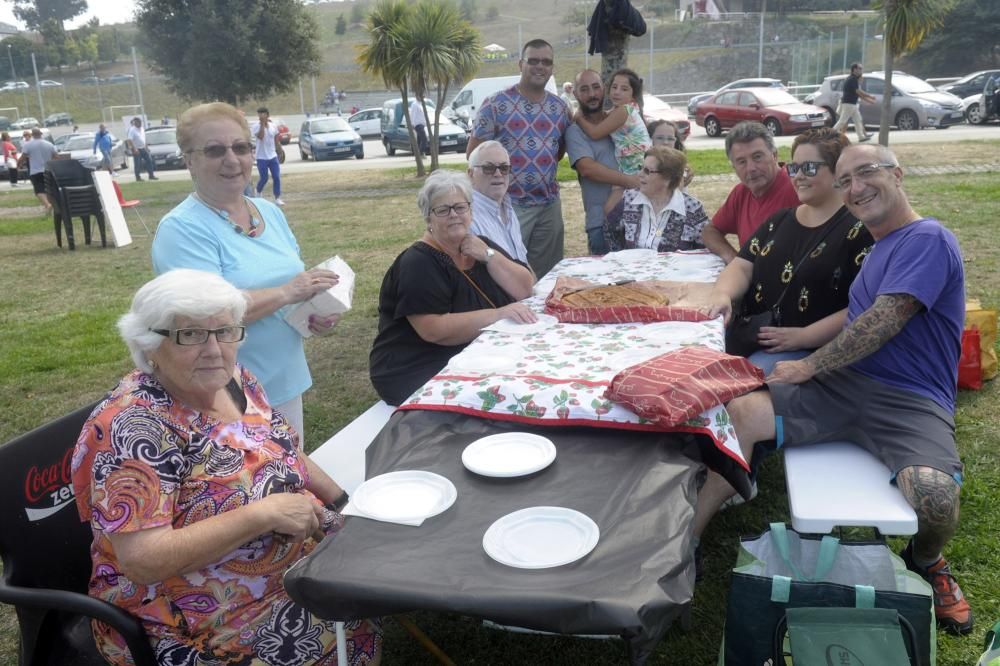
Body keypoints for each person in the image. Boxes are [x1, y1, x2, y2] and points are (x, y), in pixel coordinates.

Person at [694, 143, 973, 636]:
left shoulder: (926, 237)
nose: (855, 187)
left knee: (934, 498)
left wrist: (807, 365)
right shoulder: (877, 245)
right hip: (843, 386)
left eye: (866, 172)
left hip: (909, 401)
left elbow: (885, 320)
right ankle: (685, 543)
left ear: (898, 174)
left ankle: (927, 558)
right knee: (739, 411)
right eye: (845, 180)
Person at [72, 269, 383, 665]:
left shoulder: (236, 380)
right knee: (343, 627)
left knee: (379, 560)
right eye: (191, 334)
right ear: (148, 344)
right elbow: (144, 562)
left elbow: (284, 448)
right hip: (187, 615)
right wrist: (264, 514)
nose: (214, 350)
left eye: (225, 331)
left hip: (283, 559)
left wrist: (343, 505)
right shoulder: (133, 430)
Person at [151, 102, 339, 442]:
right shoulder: (181, 229)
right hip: (225, 395)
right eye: (214, 150)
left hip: (285, 378)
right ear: (189, 161)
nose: (232, 159)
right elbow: (206, 317)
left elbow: (288, 287)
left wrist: (313, 312)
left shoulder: (268, 211)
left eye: (241, 147)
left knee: (290, 474)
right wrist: (289, 291)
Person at [708, 128, 873, 374]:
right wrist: (723, 294)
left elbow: (865, 306)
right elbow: (743, 265)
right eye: (794, 168)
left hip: (812, 350)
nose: (798, 177)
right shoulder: (781, 220)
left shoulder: (860, 229)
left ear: (838, 171)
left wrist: (803, 337)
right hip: (753, 334)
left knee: (741, 384)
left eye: (809, 168)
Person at [370, 170, 536, 406]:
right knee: (509, 397)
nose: (454, 216)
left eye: (460, 207)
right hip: (417, 366)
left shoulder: (480, 245)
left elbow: (524, 288)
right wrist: (498, 315)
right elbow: (433, 329)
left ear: (470, 210)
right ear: (428, 218)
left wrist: (489, 256)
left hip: (471, 355)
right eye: (443, 210)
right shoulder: (418, 262)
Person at [467, 38, 570, 277]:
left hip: (548, 205)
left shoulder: (560, 109)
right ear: (520, 64)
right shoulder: (495, 104)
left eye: (546, 62)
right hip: (509, 205)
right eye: (533, 61)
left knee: (547, 274)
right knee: (506, 272)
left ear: (552, 68)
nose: (539, 66)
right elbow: (473, 155)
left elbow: (559, 150)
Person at [701, 121, 800, 264]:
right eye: (741, 162)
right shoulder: (741, 192)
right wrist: (734, 259)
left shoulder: (797, 188)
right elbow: (710, 231)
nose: (751, 168)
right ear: (734, 167)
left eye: (757, 157)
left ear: (774, 155)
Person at [566, 68, 639, 255]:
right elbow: (588, 169)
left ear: (604, 89)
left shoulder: (620, 121)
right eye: (584, 89)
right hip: (601, 224)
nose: (591, 94)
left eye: (596, 87)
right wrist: (630, 181)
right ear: (575, 94)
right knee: (605, 283)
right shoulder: (575, 131)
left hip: (638, 218)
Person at [603, 145, 710, 254]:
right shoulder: (630, 199)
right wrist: (620, 257)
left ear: (668, 178)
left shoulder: (692, 208)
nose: (640, 175)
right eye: (640, 168)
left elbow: (705, 247)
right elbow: (609, 230)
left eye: (647, 171)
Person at [573, 67, 651, 177]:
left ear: (633, 97)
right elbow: (605, 116)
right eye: (614, 87)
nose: (617, 92)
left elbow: (595, 134)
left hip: (637, 165)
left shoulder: (624, 111)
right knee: (617, 190)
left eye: (624, 89)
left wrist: (578, 118)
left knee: (618, 191)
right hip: (631, 165)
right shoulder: (619, 111)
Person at [468, 140, 531, 266]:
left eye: (504, 168)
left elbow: (523, 261)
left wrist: (533, 285)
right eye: (488, 168)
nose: (498, 174)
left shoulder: (507, 207)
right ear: (470, 174)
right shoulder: (468, 218)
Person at [832, 62, 875, 142]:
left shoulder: (852, 79)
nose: (861, 70)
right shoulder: (852, 79)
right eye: (860, 69)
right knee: (842, 121)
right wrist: (870, 96)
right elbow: (858, 92)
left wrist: (869, 99)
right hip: (849, 103)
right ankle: (830, 134)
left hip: (852, 104)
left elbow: (858, 92)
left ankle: (861, 137)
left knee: (858, 120)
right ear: (854, 69)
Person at [250, 106, 283, 206]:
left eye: (263, 114)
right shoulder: (256, 126)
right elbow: (260, 136)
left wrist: (279, 150)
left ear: (267, 115)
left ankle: (277, 198)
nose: (261, 116)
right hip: (261, 157)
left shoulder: (273, 126)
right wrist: (262, 125)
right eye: (259, 114)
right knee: (264, 177)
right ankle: (258, 191)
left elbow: (276, 139)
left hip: (272, 156)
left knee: (276, 177)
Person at [18, 127, 56, 211]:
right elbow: (56, 156)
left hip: (35, 171)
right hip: (48, 170)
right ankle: (50, 204)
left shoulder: (28, 145)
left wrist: (18, 165)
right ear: (41, 134)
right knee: (48, 188)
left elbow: (22, 157)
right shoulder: (49, 144)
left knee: (39, 190)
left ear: (32, 135)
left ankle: (47, 205)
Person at [647, 119, 694, 188]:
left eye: (670, 139)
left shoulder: (680, 165)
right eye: (659, 138)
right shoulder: (643, 164)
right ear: (649, 139)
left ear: (676, 142)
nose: (666, 142)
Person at [126, 116, 158, 182]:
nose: (140, 123)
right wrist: (134, 149)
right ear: (135, 123)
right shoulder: (132, 130)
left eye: (140, 122)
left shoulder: (142, 129)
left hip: (143, 148)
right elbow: (129, 140)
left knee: (149, 161)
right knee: (138, 164)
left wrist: (146, 147)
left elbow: (144, 138)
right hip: (136, 149)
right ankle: (138, 177)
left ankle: (151, 175)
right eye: (139, 122)